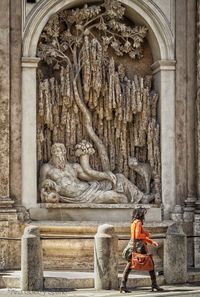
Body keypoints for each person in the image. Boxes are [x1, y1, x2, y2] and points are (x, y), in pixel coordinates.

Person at [39, 142, 153, 204]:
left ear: (64, 153)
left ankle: (142, 197)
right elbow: (40, 187)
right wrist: (46, 184)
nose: (57, 154)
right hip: (81, 198)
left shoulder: (73, 167)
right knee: (120, 198)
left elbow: (89, 176)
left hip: (89, 187)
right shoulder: (47, 168)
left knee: (119, 177)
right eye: (54, 151)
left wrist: (106, 175)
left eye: (59, 151)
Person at [120, 207, 164, 293]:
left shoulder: (133, 222)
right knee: (150, 263)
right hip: (139, 246)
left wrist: (151, 241)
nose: (144, 215)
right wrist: (147, 234)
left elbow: (138, 236)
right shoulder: (139, 223)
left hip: (133, 245)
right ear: (140, 214)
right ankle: (154, 284)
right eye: (143, 214)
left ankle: (123, 285)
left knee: (130, 265)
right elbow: (138, 236)